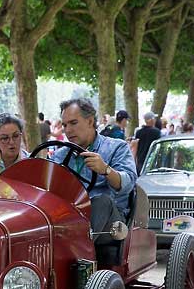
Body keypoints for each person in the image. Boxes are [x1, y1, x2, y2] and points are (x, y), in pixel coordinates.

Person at [50, 98, 138, 249]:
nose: (67, 130)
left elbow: (128, 184)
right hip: (70, 218)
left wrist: (106, 170)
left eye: (73, 123)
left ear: (90, 121)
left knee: (101, 201)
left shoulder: (116, 147)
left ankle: (77, 252)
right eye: (64, 125)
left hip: (111, 223)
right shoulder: (60, 155)